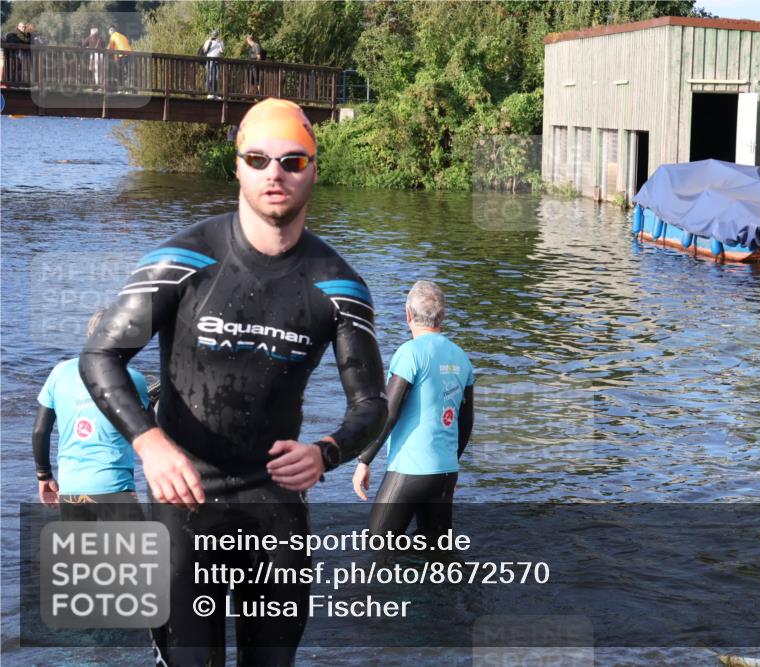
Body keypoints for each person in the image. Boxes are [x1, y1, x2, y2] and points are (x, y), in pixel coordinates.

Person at [80, 97, 387, 665]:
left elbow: (372, 403)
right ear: (238, 166)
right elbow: (100, 357)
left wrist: (328, 452)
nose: (275, 173)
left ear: (314, 169)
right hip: (184, 504)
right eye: (259, 158)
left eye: (293, 161)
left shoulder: (339, 286)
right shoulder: (182, 260)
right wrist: (150, 447)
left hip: (276, 511)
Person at [353, 281, 475, 539]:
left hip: (410, 470)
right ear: (443, 315)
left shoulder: (410, 353)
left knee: (378, 543)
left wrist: (365, 459)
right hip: (445, 472)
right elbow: (466, 421)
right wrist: (452, 461)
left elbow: (389, 412)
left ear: (407, 314)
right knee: (438, 551)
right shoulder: (461, 357)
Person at [34, 309, 152, 521]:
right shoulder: (134, 379)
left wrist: (44, 475)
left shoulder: (59, 373)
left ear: (90, 337)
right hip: (115, 486)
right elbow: (152, 433)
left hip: (71, 488)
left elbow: (41, 431)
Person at [106, 25, 131, 90]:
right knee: (129, 72)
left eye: (109, 32)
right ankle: (129, 86)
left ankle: (121, 86)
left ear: (111, 31)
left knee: (120, 71)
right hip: (130, 54)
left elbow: (110, 48)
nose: (109, 34)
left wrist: (105, 51)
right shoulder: (122, 36)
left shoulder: (113, 36)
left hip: (122, 55)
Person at [202, 29, 224, 97]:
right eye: (213, 35)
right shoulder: (207, 41)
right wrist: (210, 42)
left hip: (217, 61)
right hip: (209, 60)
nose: (214, 36)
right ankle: (209, 93)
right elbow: (205, 50)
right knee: (210, 76)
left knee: (216, 77)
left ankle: (215, 93)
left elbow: (222, 51)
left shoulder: (220, 42)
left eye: (215, 35)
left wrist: (219, 43)